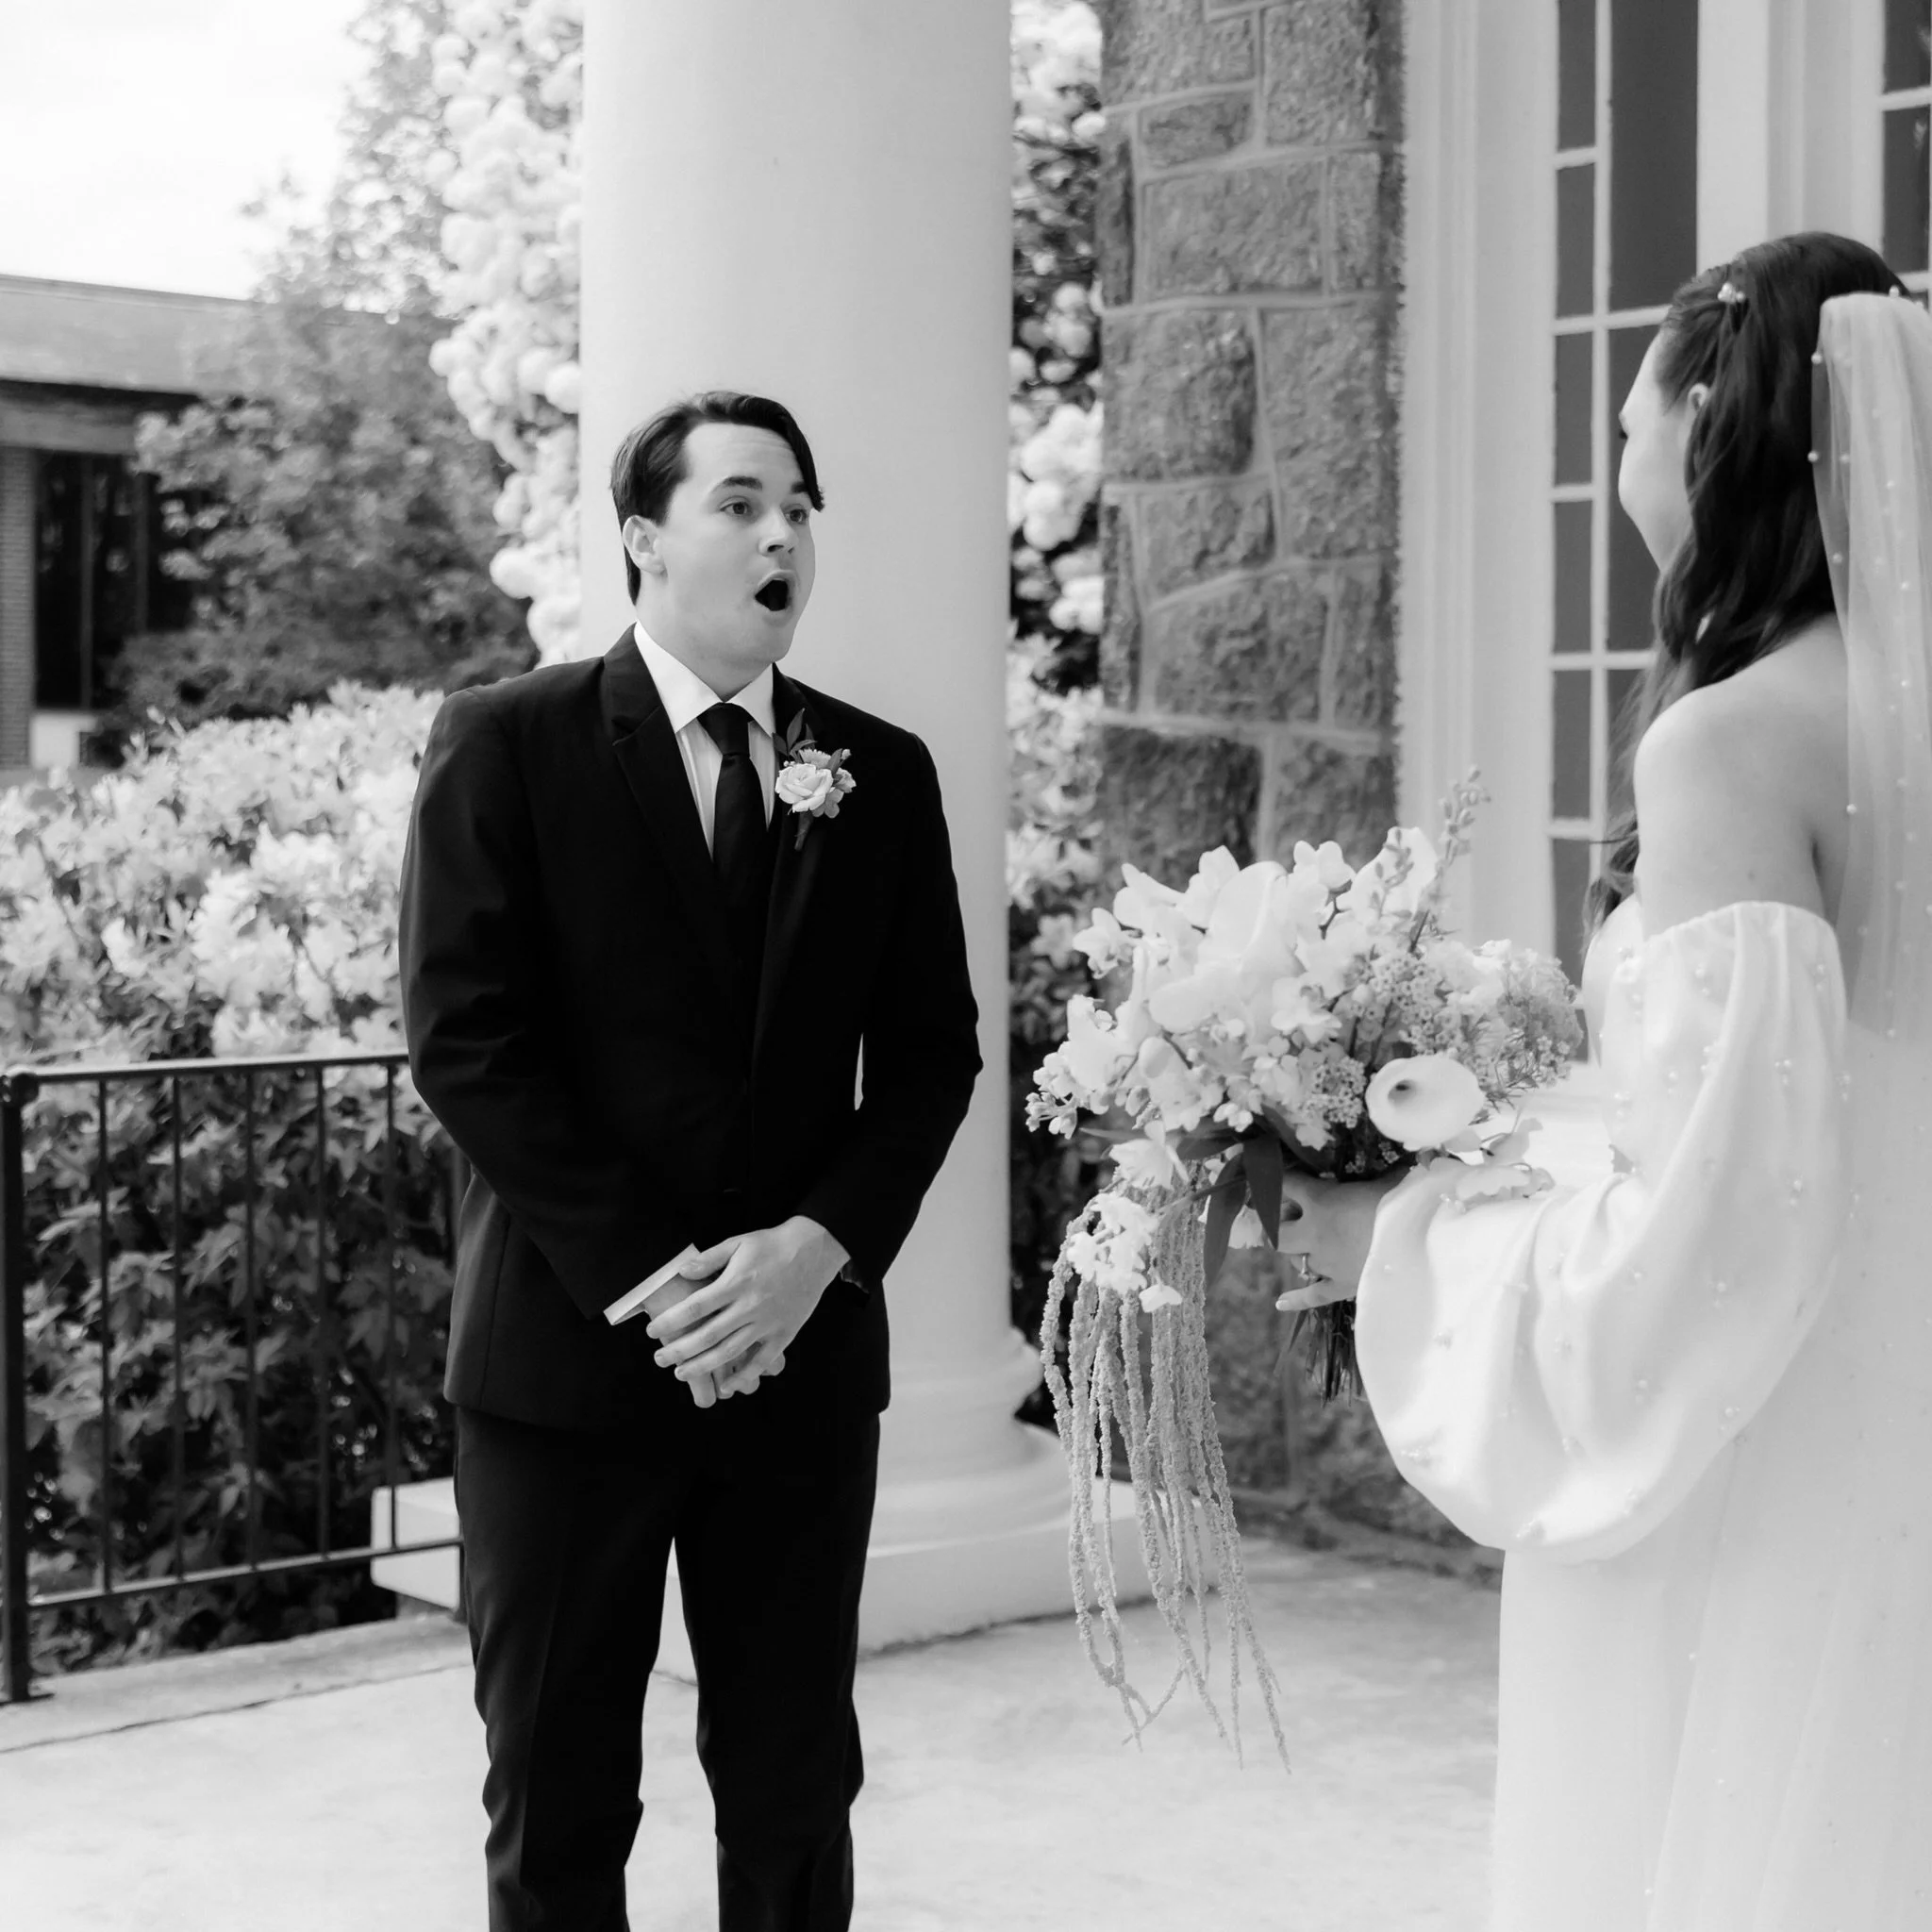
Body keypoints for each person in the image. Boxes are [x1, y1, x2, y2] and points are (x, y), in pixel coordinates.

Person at [1271, 233, 1932, 1929]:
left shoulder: (1729, 740)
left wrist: (1406, 1247)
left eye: (1628, 421)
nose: (1615, 464)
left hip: (1768, 1459)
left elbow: (1718, 1228)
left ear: (1708, 419)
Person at [398, 391, 981, 1932]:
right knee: (561, 1795)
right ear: (645, 537)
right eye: (738, 501)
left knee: (795, 1788)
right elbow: (468, 1043)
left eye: (798, 501)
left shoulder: (880, 771)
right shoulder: (508, 744)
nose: (781, 530)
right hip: (566, 1369)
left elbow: (932, 1058)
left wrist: (813, 1253)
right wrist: (665, 1289)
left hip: (797, 1357)